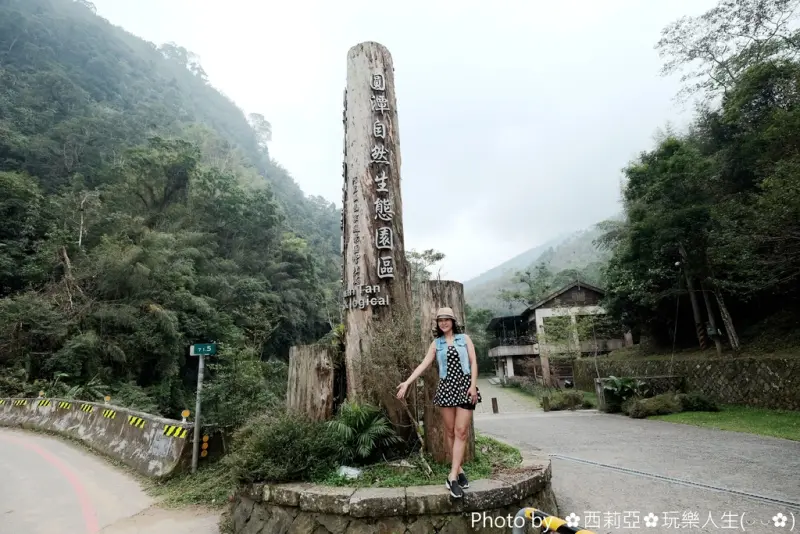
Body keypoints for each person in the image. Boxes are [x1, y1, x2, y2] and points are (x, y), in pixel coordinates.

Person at [396, 307, 481, 499]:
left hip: (465, 386)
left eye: (447, 320)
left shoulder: (465, 339)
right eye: (440, 320)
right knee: (450, 431)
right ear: (438, 323)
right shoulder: (437, 344)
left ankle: (451, 477)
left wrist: (473, 386)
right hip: (446, 388)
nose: (443, 323)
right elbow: (423, 364)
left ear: (453, 322)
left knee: (461, 432)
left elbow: (474, 362)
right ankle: (458, 470)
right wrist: (408, 382)